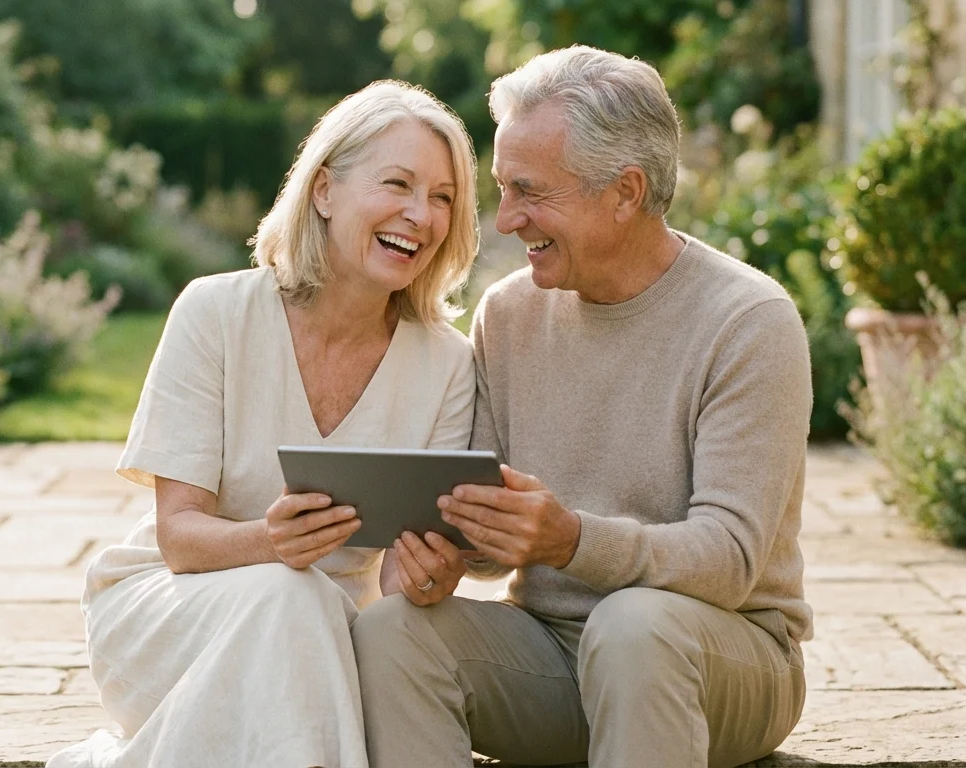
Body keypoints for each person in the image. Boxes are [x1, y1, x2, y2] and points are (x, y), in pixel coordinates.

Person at [351, 46, 814, 768]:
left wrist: (570, 541)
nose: (506, 221)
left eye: (530, 192)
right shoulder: (508, 314)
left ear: (624, 192)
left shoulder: (747, 320)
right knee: (389, 633)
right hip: (552, 654)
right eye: (502, 189)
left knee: (632, 629)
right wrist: (447, 552)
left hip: (719, 656)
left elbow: (729, 561)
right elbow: (481, 521)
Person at [47, 80, 481, 768]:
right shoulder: (214, 313)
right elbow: (180, 539)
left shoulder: (448, 365)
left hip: (325, 632)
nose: (420, 215)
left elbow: (400, 582)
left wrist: (428, 578)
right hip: (172, 612)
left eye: (442, 198)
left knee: (302, 603)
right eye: (397, 183)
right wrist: (269, 541)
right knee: (289, 593)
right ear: (324, 191)